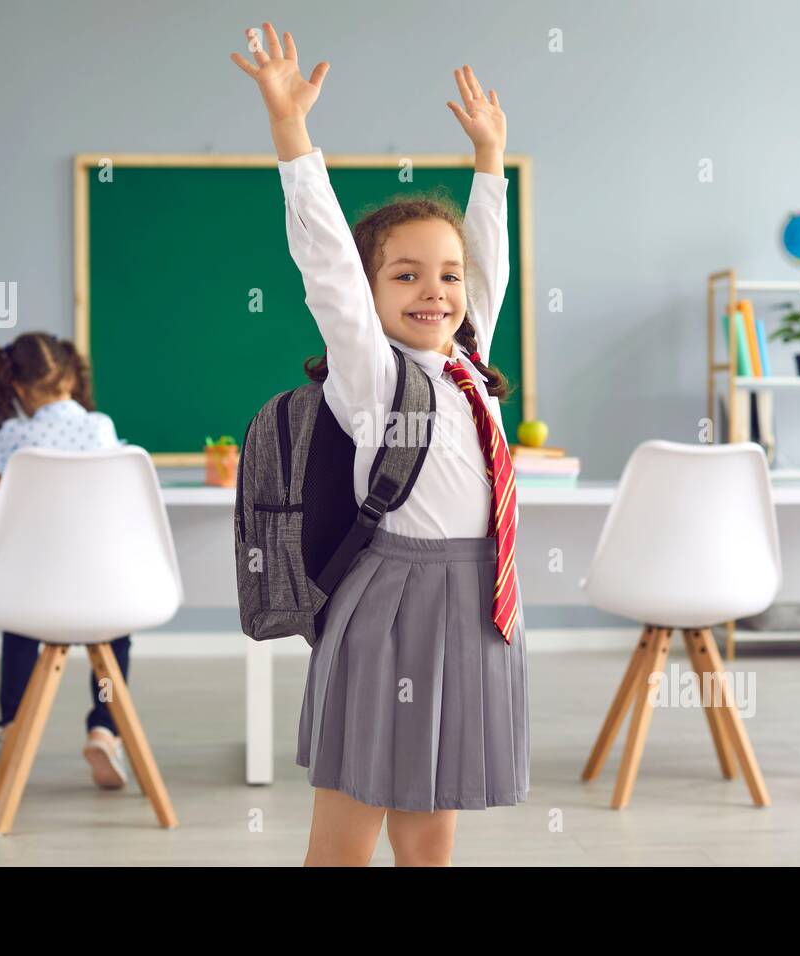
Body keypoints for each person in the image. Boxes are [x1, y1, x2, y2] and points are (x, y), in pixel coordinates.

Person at [231, 23, 528, 866]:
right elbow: (325, 259)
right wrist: (292, 132)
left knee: (434, 828)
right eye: (405, 274)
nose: (434, 291)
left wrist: (489, 163)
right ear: (369, 295)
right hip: (393, 601)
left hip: (477, 603)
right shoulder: (371, 374)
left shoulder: (467, 361)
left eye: (446, 275)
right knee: (350, 828)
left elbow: (490, 266)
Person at [0, 331, 131, 790]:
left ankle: (11, 729)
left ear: (16, 387)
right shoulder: (99, 427)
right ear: (70, 376)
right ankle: (104, 729)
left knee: (18, 626)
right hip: (99, 588)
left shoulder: (14, 436)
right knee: (115, 633)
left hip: (35, 588)